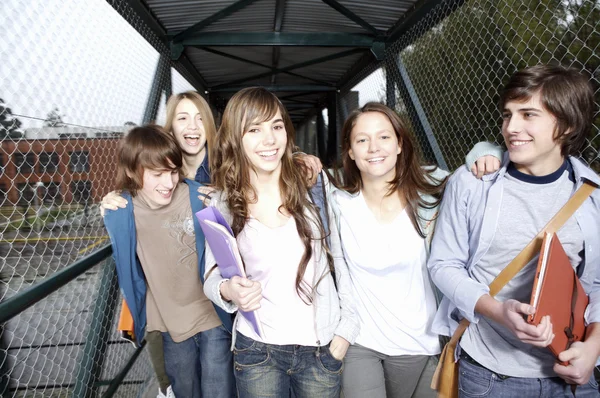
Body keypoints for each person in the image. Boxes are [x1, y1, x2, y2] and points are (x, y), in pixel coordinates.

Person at [428, 64, 600, 397]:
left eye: (528, 115)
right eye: (508, 115)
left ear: (567, 125)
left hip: (572, 375)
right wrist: (498, 312)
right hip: (491, 376)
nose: (511, 128)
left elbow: (596, 284)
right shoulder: (472, 183)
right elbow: (443, 265)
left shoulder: (593, 197)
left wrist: (593, 348)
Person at [329, 102, 502, 398]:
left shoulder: (434, 190)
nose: (373, 147)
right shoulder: (336, 198)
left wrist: (488, 151)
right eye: (362, 140)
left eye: (384, 137)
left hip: (425, 343)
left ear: (399, 144)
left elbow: (477, 172)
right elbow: (284, 174)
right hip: (361, 342)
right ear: (349, 151)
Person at [203, 87, 357, 397]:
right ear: (236, 138)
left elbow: (342, 259)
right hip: (258, 350)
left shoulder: (314, 188)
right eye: (254, 129)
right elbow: (211, 276)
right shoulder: (222, 203)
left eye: (276, 126)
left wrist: (345, 333)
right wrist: (229, 290)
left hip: (320, 349)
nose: (270, 139)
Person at [104, 125, 235, 398]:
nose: (168, 183)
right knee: (185, 390)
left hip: (212, 314)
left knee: (218, 390)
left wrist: (221, 204)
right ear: (131, 171)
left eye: (173, 172)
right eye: (157, 174)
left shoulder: (198, 197)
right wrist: (106, 202)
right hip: (169, 324)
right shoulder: (123, 211)